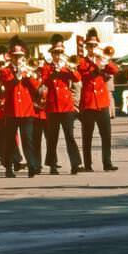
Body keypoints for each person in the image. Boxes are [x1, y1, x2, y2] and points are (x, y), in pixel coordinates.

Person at [0, 45, 42, 178]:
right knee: (10, 140)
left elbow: (36, 88)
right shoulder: (5, 70)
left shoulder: (28, 69)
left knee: (27, 138)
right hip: (11, 110)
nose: (18, 59)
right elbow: (8, 85)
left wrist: (28, 75)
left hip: (26, 110)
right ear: (11, 57)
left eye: (20, 56)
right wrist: (17, 75)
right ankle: (9, 167)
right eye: (15, 56)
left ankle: (32, 165)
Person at [39, 44, 82, 176]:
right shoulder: (47, 67)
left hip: (66, 106)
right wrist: (54, 71)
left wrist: (69, 69)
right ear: (52, 54)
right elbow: (45, 80)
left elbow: (77, 78)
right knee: (52, 138)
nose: (58, 56)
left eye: (60, 53)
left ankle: (75, 164)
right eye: (55, 53)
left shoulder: (67, 67)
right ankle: (52, 165)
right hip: (52, 106)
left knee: (70, 136)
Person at [77, 40, 119, 172]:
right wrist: (93, 63)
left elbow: (114, 70)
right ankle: (88, 164)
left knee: (106, 135)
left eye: (95, 45)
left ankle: (107, 162)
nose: (93, 48)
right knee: (87, 136)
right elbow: (81, 74)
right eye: (90, 46)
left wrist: (105, 60)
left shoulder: (102, 60)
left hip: (101, 102)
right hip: (88, 102)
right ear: (86, 47)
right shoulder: (82, 61)